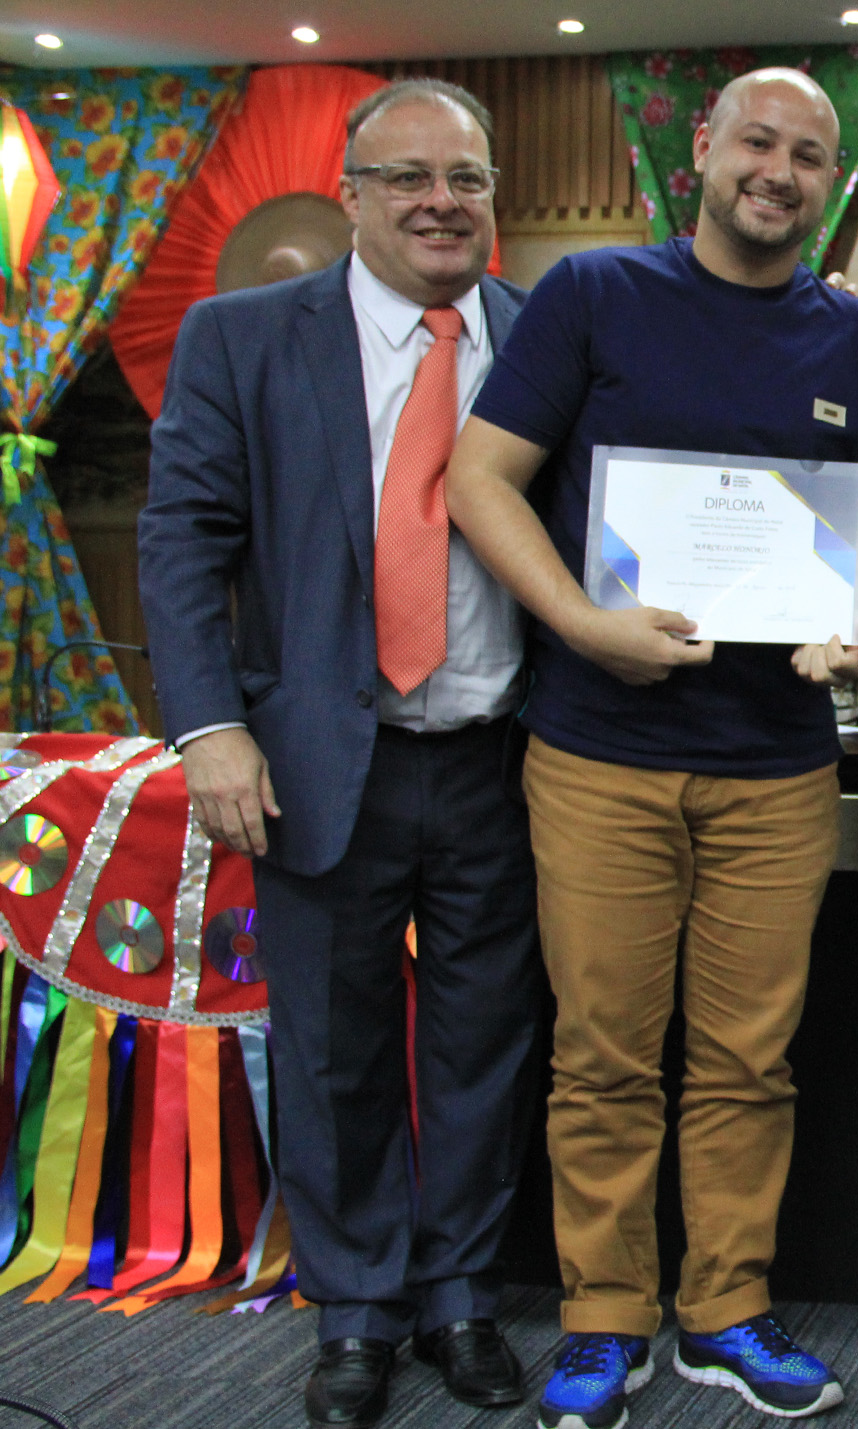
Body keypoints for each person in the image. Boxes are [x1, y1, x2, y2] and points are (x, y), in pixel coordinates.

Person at [442, 67, 858, 1429]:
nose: (778, 171)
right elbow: (480, 480)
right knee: (601, 1052)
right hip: (595, 751)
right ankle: (604, 1316)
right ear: (704, 149)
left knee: (746, 1060)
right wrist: (579, 623)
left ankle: (726, 1307)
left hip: (777, 765)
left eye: (809, 155)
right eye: (757, 142)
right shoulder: (594, 295)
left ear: (833, 181)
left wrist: (856, 612)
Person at [139, 79, 539, 1428]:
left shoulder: (545, 338)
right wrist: (210, 728)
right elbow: (181, 540)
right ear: (353, 195)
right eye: (408, 177)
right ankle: (359, 1306)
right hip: (313, 759)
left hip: (502, 757)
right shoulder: (242, 336)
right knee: (332, 1048)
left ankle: (462, 1295)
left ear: (493, 197)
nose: (441, 202)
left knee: (486, 1045)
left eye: (466, 178)